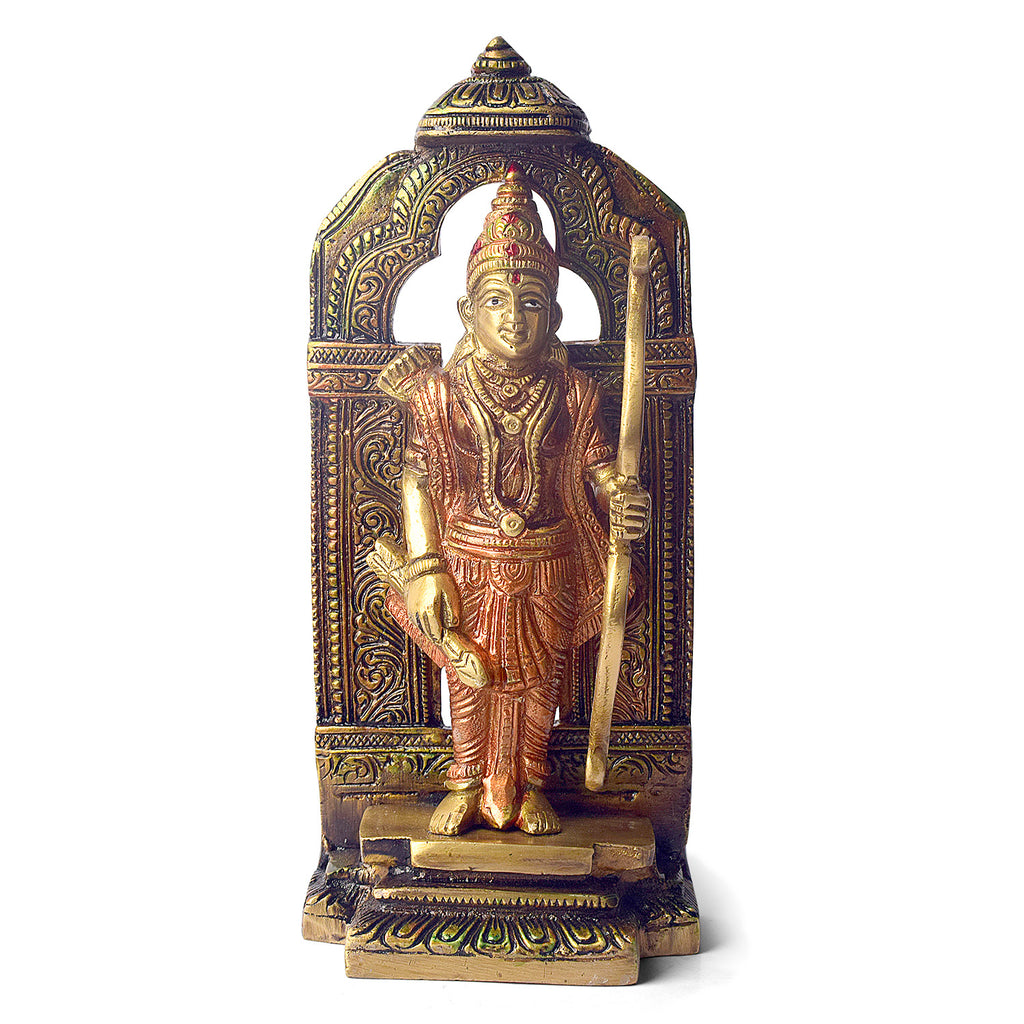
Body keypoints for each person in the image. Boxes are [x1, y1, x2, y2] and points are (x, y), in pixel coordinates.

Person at [376, 166, 650, 835]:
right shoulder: (441, 394)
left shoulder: (572, 391)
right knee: (471, 680)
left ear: (552, 315)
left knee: (538, 683)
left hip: (550, 561)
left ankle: (529, 783)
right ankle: (467, 781)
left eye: (530, 304)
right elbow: (417, 478)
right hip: (467, 562)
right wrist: (426, 565)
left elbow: (595, 462)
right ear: (467, 312)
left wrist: (617, 491)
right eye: (496, 301)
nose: (514, 318)